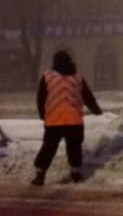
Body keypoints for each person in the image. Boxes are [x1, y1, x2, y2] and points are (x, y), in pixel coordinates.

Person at [33, 51, 102, 186]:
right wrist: (96, 110)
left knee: (48, 148)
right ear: (70, 61)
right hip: (74, 120)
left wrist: (42, 114)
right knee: (74, 147)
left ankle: (40, 174)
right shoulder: (77, 78)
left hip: (54, 120)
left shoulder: (47, 77)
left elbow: (41, 98)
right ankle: (75, 172)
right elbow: (88, 96)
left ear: (55, 62)